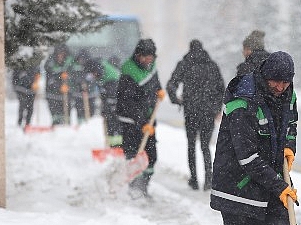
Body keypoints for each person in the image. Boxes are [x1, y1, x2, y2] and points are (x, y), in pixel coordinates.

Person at [210, 51, 299, 225]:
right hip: (239, 187)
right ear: (264, 77)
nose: (280, 88)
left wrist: (289, 147)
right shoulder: (242, 101)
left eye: (285, 83)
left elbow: (291, 124)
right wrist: (279, 185)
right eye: (275, 82)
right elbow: (246, 156)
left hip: (272, 186)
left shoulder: (289, 94)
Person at [166, 39, 225, 190]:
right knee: (205, 146)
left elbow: (171, 84)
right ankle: (208, 180)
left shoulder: (185, 63)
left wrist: (177, 100)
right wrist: (217, 108)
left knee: (191, 145)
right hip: (208, 112)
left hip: (191, 111)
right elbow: (221, 88)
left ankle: (194, 180)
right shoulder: (212, 65)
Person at [116, 38, 165, 199]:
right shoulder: (128, 72)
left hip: (148, 119)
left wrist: (159, 91)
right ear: (138, 56)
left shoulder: (151, 68)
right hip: (131, 121)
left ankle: (144, 186)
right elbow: (128, 102)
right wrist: (141, 122)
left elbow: (155, 83)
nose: (148, 60)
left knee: (151, 156)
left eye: (151, 57)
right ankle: (133, 187)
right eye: (145, 57)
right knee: (134, 154)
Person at [87, 57, 122, 147]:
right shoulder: (102, 68)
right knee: (111, 121)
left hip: (114, 101)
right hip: (112, 99)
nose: (93, 76)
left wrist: (107, 107)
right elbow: (103, 95)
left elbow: (109, 97)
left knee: (113, 122)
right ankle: (113, 145)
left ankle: (117, 146)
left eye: (93, 74)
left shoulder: (110, 77)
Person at [44, 44, 74, 125]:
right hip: (52, 92)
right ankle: (56, 123)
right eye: (59, 53)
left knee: (66, 109)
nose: (60, 56)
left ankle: (66, 122)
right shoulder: (50, 62)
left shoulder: (70, 62)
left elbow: (74, 75)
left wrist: (68, 80)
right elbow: (49, 75)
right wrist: (58, 82)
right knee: (54, 110)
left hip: (66, 93)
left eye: (62, 53)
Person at [69, 49, 97, 124]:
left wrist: (88, 82)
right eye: (80, 59)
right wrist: (79, 81)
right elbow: (72, 77)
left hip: (90, 94)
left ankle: (89, 123)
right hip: (78, 94)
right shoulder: (74, 66)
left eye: (83, 59)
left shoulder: (91, 65)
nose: (81, 60)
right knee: (79, 110)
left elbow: (95, 76)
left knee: (90, 110)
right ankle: (81, 124)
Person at [12, 64, 41, 129]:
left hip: (31, 90)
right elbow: (15, 77)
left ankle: (28, 124)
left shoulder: (35, 63)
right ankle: (19, 123)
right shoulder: (19, 64)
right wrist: (16, 87)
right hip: (21, 89)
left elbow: (38, 73)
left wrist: (37, 80)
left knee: (30, 107)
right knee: (22, 105)